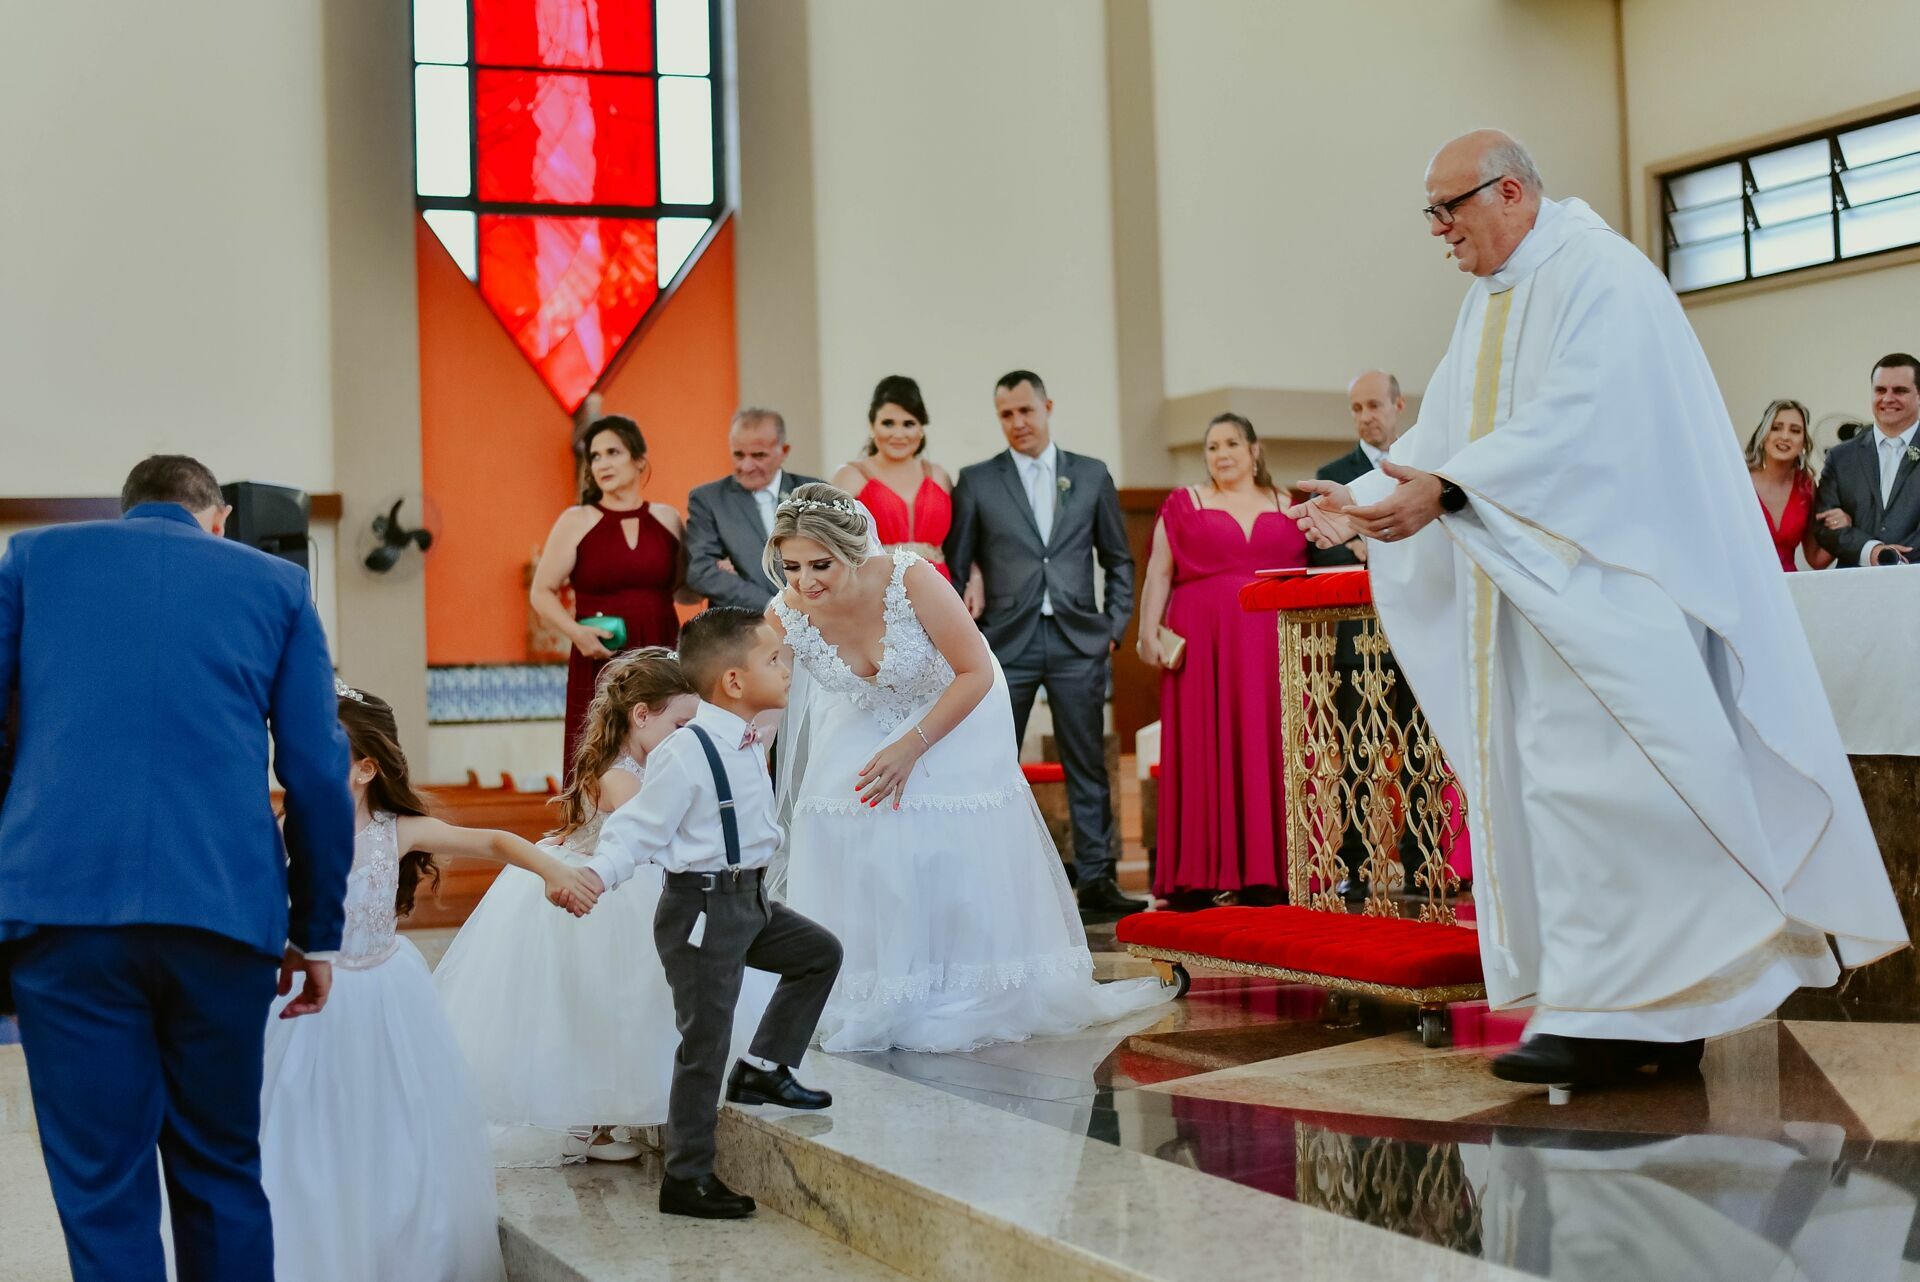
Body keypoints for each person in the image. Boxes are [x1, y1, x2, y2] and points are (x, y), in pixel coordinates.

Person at [1288, 130, 1905, 1090]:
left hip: (1612, 592)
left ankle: (1646, 1009)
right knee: (1554, 793)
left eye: (1448, 208)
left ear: (1510, 193)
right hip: (1530, 601)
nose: (1438, 230)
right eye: (1432, 213)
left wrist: (1448, 486)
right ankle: (1619, 1011)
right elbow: (1440, 439)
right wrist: (1364, 502)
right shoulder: (1486, 304)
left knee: (1624, 792)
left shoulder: (1604, 276)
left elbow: (1590, 420)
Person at [0, 455, 354, 1282]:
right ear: (219, 516)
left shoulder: (34, 560)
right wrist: (317, 932)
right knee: (221, 1168)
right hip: (223, 908)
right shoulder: (276, 585)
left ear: (128, 509)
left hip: (65, 907)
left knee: (102, 1187)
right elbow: (315, 772)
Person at [766, 484, 1172, 1052]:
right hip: (861, 714)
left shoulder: (912, 580)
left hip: (952, 709)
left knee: (931, 832)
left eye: (820, 565)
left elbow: (975, 671)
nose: (806, 581)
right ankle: (870, 981)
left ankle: (953, 980)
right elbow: (766, 705)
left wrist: (913, 745)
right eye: (791, 566)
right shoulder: (786, 611)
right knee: (841, 812)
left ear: (854, 552)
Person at [261, 685, 597, 1282]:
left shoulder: (397, 830)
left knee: (394, 1122)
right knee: (304, 1121)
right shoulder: (283, 826)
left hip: (385, 995)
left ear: (366, 768)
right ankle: (311, 1241)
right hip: (306, 999)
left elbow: (493, 842)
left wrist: (553, 869)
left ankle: (396, 1241)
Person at [434, 647, 774, 1166]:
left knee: (630, 1008)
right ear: (642, 715)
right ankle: (583, 1120)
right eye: (681, 723)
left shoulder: (648, 761)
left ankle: (607, 1117)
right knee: (594, 1007)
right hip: (595, 894)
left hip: (631, 890)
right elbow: (652, 827)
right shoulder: (619, 774)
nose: (688, 735)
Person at [574, 607, 842, 1221]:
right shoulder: (687, 752)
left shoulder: (746, 733)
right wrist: (595, 874)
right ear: (733, 682)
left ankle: (764, 1068)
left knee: (818, 954)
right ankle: (687, 1178)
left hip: (748, 900)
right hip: (700, 909)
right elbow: (636, 831)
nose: (786, 668)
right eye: (773, 660)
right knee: (704, 1042)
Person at [946, 372, 1142, 919]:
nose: (1017, 423)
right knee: (991, 760)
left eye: (1025, 411)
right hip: (1006, 642)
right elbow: (958, 567)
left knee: (1087, 763)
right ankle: (994, 874)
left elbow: (1118, 559)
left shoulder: (1091, 473)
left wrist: (1112, 627)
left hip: (1080, 638)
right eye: (1006, 415)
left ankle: (1098, 879)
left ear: (1047, 407)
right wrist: (970, 638)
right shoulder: (977, 481)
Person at [1135, 413, 1305, 907]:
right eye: (1212, 447)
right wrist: (1148, 630)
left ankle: (1273, 870)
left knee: (1268, 744)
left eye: (1232, 443)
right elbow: (1159, 573)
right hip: (1204, 647)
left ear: (1255, 450)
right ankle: (1197, 874)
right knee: (1204, 745)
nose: (1222, 454)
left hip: (1273, 645)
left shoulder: (1291, 505)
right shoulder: (1183, 504)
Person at [1308, 370, 1430, 900]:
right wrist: (1362, 545)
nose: (1366, 416)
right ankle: (1356, 867)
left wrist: (1372, 542)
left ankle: (1425, 862)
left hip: (1421, 631)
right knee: (1358, 749)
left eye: (1375, 405)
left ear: (1399, 405)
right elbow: (1322, 548)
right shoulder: (1334, 473)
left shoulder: (1424, 466)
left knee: (1421, 750)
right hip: (1358, 637)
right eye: (1357, 408)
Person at [532, 414, 687, 776]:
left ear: (639, 460)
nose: (602, 463)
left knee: (668, 754)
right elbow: (541, 592)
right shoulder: (576, 519)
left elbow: (684, 586)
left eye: (612, 452)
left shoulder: (667, 518)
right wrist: (576, 634)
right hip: (601, 657)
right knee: (602, 757)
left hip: (662, 649)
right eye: (595, 456)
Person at [829, 374, 971, 589]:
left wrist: (975, 578)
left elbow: (964, 540)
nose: (898, 433)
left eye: (908, 424)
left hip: (939, 592)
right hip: (875, 591)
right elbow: (828, 541)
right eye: (888, 423)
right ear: (872, 425)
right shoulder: (849, 476)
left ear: (921, 428)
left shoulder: (939, 476)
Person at [686, 408, 823, 609]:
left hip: (813, 620)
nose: (746, 466)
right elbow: (701, 571)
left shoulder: (813, 492)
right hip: (741, 627)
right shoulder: (708, 499)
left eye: (758, 456)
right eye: (738, 455)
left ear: (783, 451)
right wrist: (773, 606)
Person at [1812, 355, 1920, 567]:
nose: (1888, 398)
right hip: (1854, 588)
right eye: (1880, 390)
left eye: (1900, 390)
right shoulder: (1840, 456)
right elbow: (1823, 526)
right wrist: (1872, 551)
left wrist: (1895, 559)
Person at [1745, 398, 1837, 571]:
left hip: (1788, 587)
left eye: (1795, 431)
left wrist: (1846, 526)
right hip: (1740, 586)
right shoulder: (1739, 481)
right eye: (1776, 428)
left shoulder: (1807, 487)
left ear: (1803, 442)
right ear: (1764, 435)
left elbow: (1816, 559)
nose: (1785, 436)